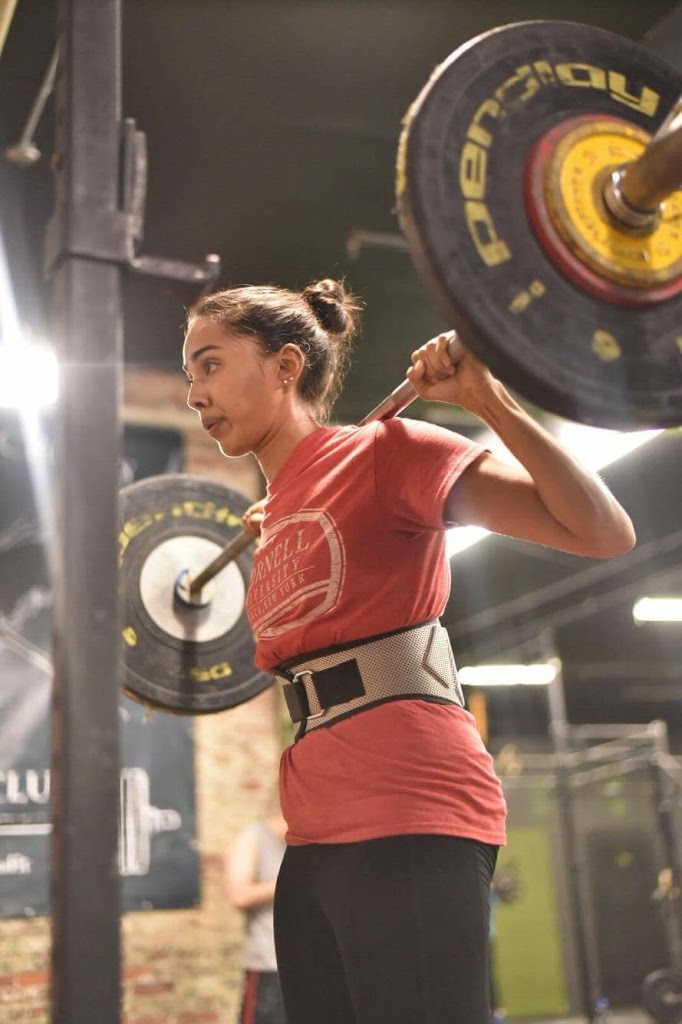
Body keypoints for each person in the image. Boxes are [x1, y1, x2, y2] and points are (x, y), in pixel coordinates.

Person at [182, 278, 635, 1024]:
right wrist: (291, 511)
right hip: (316, 828)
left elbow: (602, 532)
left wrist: (489, 403)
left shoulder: (389, 453)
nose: (196, 392)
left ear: (287, 366)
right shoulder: (278, 514)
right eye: (190, 371)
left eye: (210, 364)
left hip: (410, 809)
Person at [226, 807, 288, 1024]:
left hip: (313, 967)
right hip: (270, 967)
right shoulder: (255, 837)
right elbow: (239, 895)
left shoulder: (315, 845)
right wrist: (290, 880)